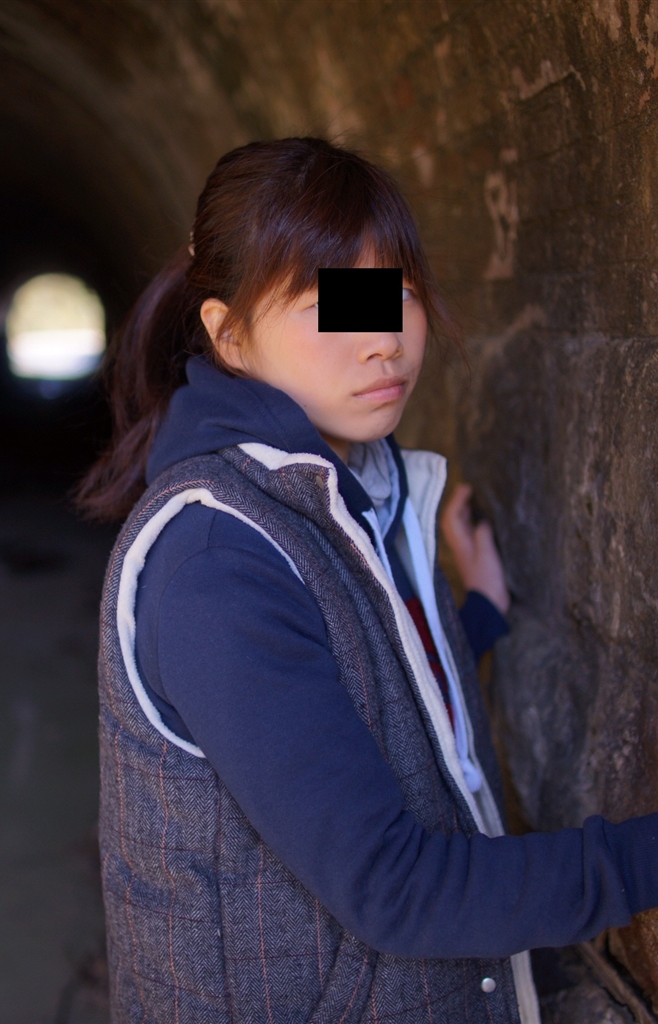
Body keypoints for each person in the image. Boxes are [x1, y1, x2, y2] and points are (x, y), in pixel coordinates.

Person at [78, 137, 657, 1024]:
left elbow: (355, 683)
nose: (383, 340)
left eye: (397, 295)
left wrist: (476, 614)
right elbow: (396, 887)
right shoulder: (216, 560)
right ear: (228, 335)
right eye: (332, 308)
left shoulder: (342, 488)